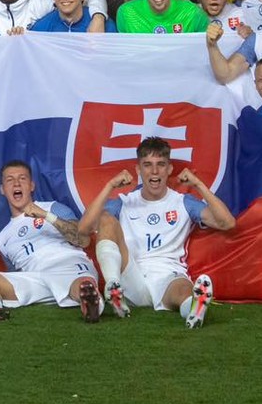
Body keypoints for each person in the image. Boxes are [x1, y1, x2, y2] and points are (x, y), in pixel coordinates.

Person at [76, 136, 234, 327]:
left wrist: (198, 185)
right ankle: (113, 287)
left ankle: (194, 308)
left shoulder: (183, 202)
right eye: (147, 164)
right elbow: (83, 229)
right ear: (138, 169)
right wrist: (109, 186)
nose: (154, 171)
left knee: (185, 291)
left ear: (169, 169)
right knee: (105, 219)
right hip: (131, 276)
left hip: (167, 274)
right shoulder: (125, 202)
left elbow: (227, 223)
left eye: (161, 164)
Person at [0, 161, 103, 322]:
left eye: (22, 178)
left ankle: (89, 302)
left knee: (83, 284)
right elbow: (16, 273)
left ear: (31, 186)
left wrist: (46, 216)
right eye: (10, 180)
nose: (17, 183)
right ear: (2, 189)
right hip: (36, 278)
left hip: (69, 267)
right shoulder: (2, 238)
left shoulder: (53, 208)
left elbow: (82, 240)